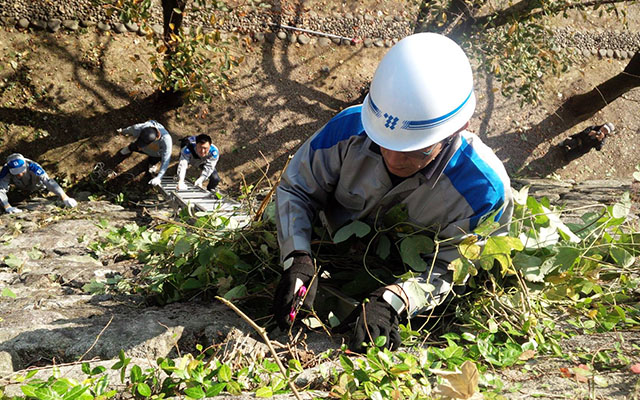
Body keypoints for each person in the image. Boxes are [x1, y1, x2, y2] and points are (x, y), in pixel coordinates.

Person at [271, 33, 514, 352]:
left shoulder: (484, 190)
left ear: (460, 128)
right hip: (330, 250)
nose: (394, 158)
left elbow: (450, 268)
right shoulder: (347, 130)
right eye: (384, 143)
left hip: (402, 276)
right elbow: (296, 188)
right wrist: (297, 255)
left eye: (417, 150)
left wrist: (395, 299)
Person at [0, 153, 77, 214]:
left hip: (39, 188)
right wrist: (7, 206)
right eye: (16, 173)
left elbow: (47, 181)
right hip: (20, 189)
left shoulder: (33, 166)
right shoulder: (6, 170)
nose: (19, 174)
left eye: (21, 171)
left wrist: (65, 197)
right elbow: (1, 189)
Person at [117, 120, 173, 186]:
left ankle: (152, 163)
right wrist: (123, 131)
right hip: (143, 147)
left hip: (155, 153)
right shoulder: (140, 127)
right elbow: (130, 130)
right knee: (135, 146)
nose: (140, 147)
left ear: (156, 138)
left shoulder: (166, 140)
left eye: (144, 144)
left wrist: (159, 177)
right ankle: (129, 149)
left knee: (155, 159)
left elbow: (166, 160)